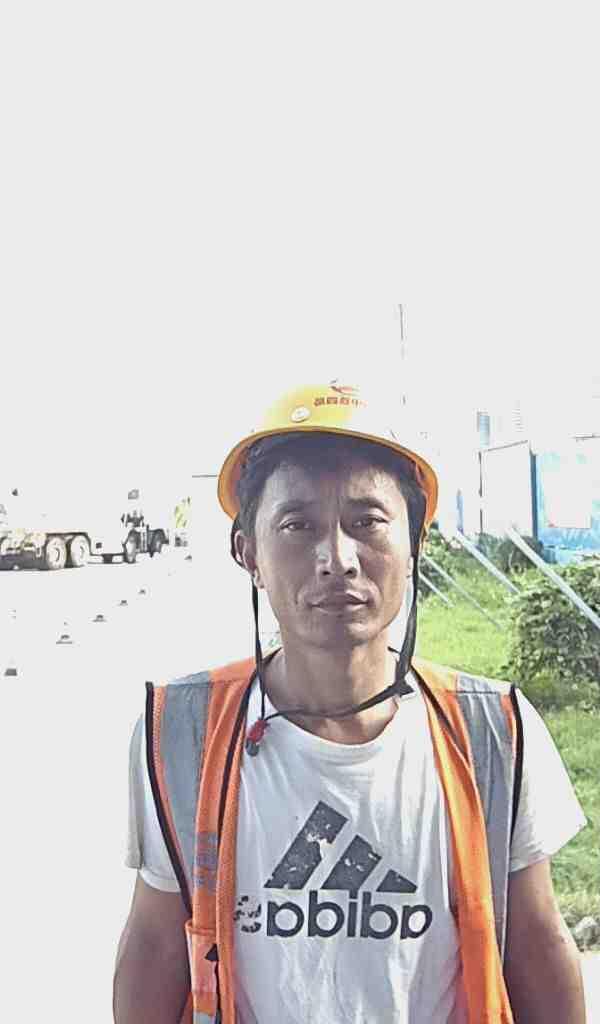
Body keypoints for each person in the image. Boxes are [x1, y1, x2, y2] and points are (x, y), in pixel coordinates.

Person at [114, 380, 587, 1023]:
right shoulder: (181, 730)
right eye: (297, 525)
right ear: (247, 553)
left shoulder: (493, 730)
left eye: (367, 522)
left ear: (416, 544)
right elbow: (154, 941)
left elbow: (535, 941)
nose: (336, 558)